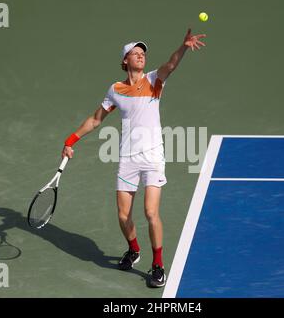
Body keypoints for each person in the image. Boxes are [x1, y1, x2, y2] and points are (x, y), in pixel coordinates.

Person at [62, 29, 206, 288]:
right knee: (122, 214)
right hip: (127, 158)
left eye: (143, 53)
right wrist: (71, 140)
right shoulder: (115, 90)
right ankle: (134, 249)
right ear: (125, 60)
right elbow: (96, 120)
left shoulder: (154, 80)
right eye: (135, 53)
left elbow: (170, 64)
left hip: (152, 157)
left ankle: (158, 265)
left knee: (151, 212)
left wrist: (183, 47)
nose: (141, 56)